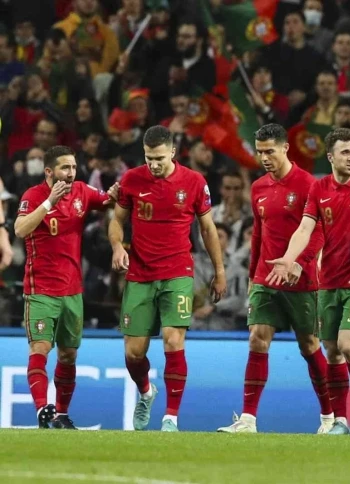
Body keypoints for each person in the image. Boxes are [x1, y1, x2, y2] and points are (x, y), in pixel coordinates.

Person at [109, 126, 227, 432]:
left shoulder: (194, 182)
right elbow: (117, 221)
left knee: (173, 341)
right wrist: (117, 247)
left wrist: (219, 271)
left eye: (159, 158)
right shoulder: (132, 180)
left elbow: (208, 229)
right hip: (140, 274)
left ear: (173, 153)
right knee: (133, 353)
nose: (153, 164)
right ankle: (147, 392)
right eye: (149, 158)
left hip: (177, 272)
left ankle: (171, 418)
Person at [267, 128, 350, 435]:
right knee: (332, 351)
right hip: (329, 279)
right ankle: (341, 419)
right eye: (345, 152)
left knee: (349, 345)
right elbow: (305, 229)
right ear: (330, 156)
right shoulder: (319, 188)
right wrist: (289, 258)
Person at [216, 124, 332, 434]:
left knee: (309, 345)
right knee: (257, 337)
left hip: (301, 280)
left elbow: (319, 232)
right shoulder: (258, 187)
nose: (265, 157)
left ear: (285, 149)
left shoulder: (309, 185)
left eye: (270, 151)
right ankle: (248, 419)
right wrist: (253, 274)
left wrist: (300, 263)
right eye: (260, 152)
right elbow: (258, 234)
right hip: (266, 278)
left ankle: (329, 417)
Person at [15, 145, 118, 429]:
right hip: (40, 289)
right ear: (49, 172)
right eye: (65, 168)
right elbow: (20, 229)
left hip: (73, 291)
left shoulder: (82, 192)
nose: (71, 173)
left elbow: (110, 199)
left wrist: (120, 191)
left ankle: (61, 414)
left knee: (68, 355)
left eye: (73, 167)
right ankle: (42, 409)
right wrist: (49, 202)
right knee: (40, 347)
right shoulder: (33, 196)